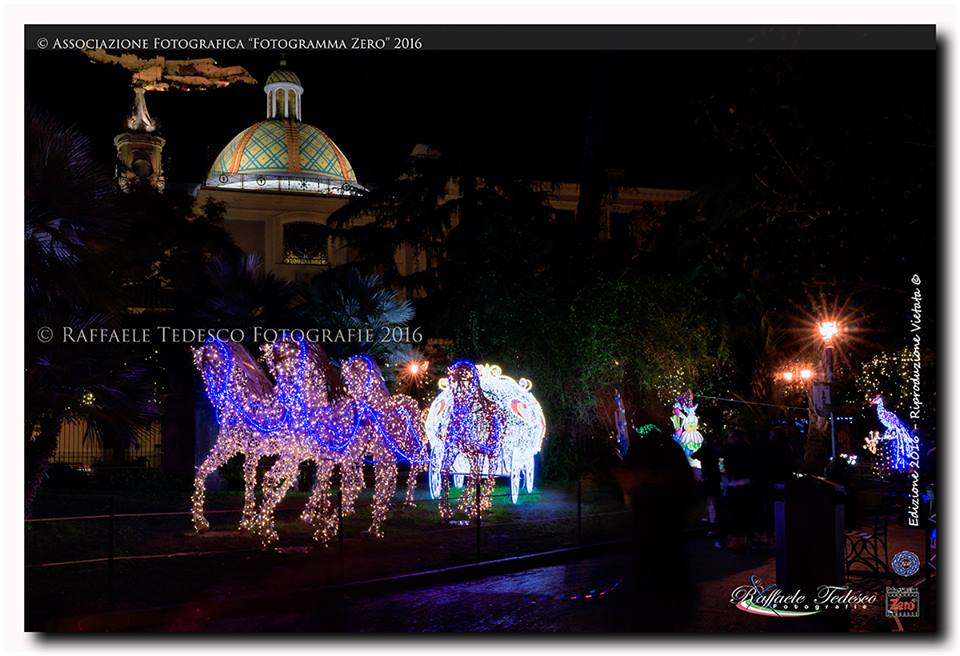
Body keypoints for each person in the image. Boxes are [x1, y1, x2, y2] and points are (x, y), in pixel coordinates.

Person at [692, 433, 722, 547]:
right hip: (715, 477)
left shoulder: (704, 450)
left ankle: (712, 524)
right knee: (714, 501)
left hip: (708, 478)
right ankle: (714, 522)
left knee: (710, 501)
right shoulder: (714, 450)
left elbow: (694, 455)